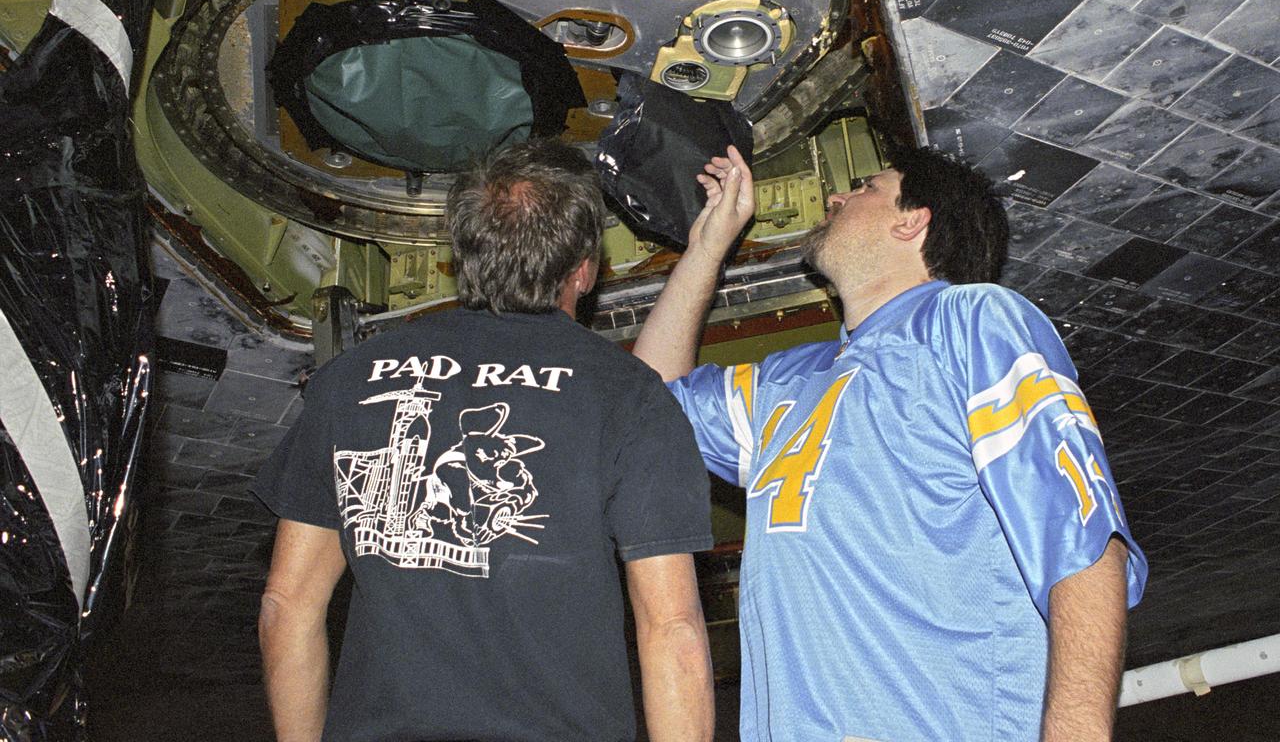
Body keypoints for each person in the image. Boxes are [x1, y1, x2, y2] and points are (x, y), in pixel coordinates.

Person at [633, 141, 1148, 742]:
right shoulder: (786, 382)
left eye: (865, 187)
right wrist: (707, 246)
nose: (836, 196)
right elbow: (648, 408)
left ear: (913, 220)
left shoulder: (969, 321)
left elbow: (1083, 543)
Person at [253, 139, 715, 742]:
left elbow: (285, 608)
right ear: (584, 268)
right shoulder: (629, 396)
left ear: (461, 254)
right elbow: (672, 625)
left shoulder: (349, 381)